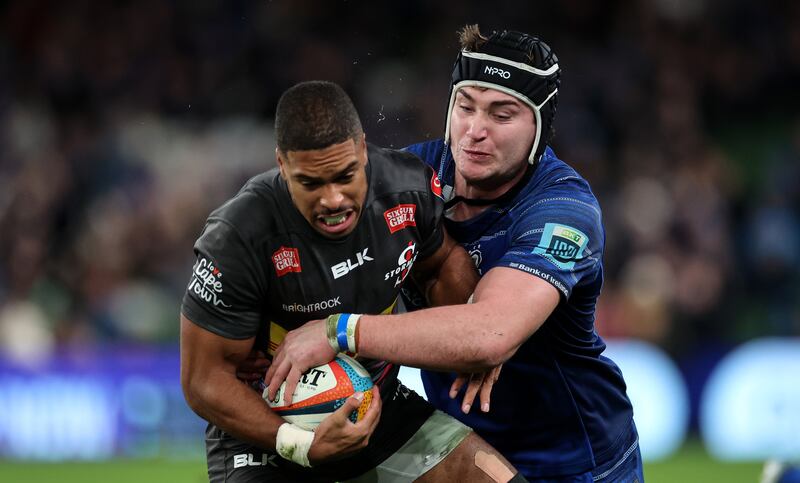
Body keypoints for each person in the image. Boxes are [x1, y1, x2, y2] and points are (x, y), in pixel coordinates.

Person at [265, 26, 645, 482]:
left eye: (502, 116)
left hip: (573, 464)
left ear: (540, 127)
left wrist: (340, 330)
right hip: (455, 452)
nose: (475, 131)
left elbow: (490, 335)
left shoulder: (562, 209)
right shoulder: (406, 178)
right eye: (465, 107)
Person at [180, 80, 528, 482]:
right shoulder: (239, 236)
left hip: (377, 405)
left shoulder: (408, 189)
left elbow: (442, 261)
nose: (333, 199)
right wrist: (299, 444)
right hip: (268, 432)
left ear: (363, 148)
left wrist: (470, 330)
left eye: (346, 175)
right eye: (310, 183)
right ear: (281, 164)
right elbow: (203, 379)